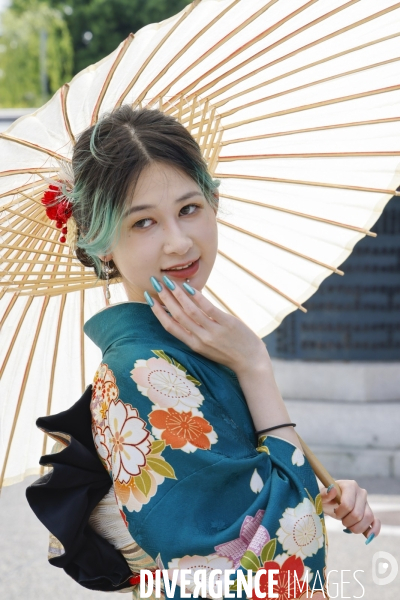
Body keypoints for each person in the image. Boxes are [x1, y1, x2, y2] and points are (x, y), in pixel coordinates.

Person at [26, 105, 380, 600]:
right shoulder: (137, 371)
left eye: (189, 208)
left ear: (214, 201)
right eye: (143, 223)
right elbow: (264, 564)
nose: (178, 242)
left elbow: (254, 500)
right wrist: (255, 368)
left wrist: (310, 493)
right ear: (102, 244)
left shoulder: (196, 349)